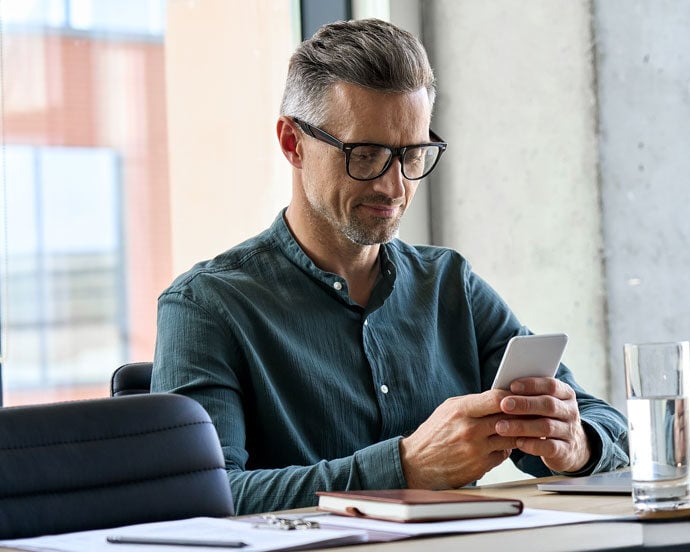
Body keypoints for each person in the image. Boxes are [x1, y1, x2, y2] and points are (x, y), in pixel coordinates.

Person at [151, 18, 629, 515]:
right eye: (366, 155)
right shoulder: (207, 305)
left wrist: (574, 444)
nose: (394, 186)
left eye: (412, 155)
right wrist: (404, 468)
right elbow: (200, 497)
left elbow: (604, 423)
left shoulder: (449, 285)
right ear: (293, 143)